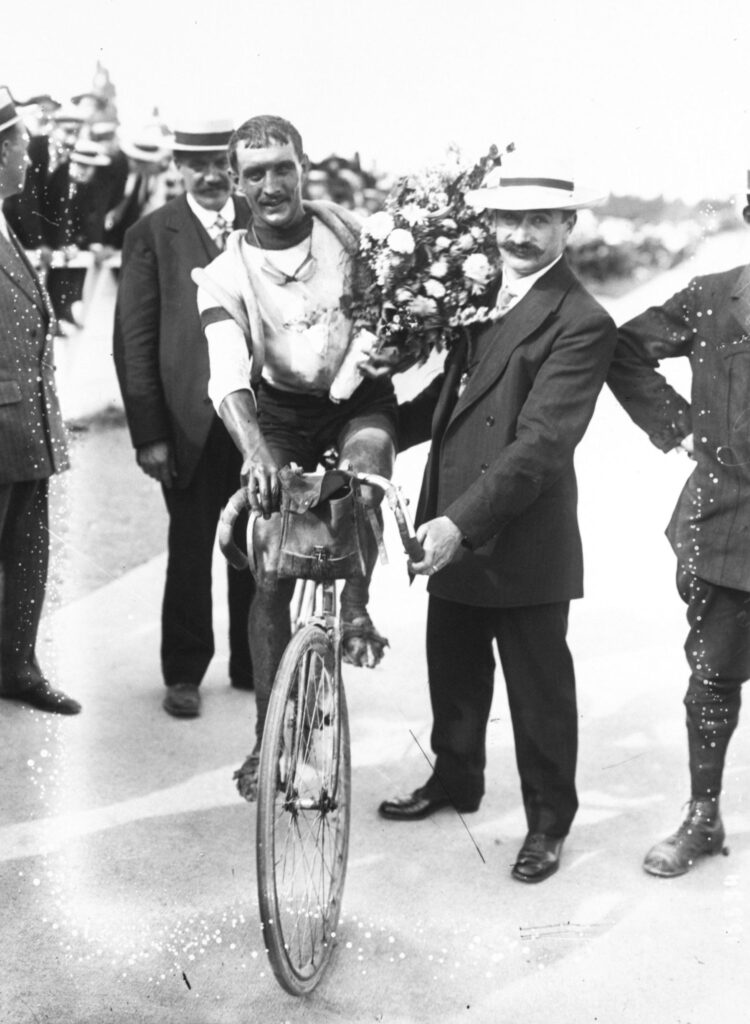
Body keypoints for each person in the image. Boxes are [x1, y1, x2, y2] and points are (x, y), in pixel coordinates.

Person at [374, 153, 616, 884]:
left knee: (538, 691)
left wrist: (458, 525)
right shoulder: (481, 297)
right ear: (490, 223)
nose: (520, 235)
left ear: (568, 228)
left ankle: (548, 823)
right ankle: (456, 779)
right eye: (509, 219)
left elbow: (539, 445)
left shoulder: (581, 320)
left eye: (539, 221)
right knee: (453, 665)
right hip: (457, 519)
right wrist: (369, 424)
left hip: (522, 538)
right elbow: (450, 406)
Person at [195, 114, 397, 798]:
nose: (272, 184)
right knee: (272, 565)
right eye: (255, 173)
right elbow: (227, 376)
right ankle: (266, 738)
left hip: (358, 401)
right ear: (234, 183)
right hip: (280, 414)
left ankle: (360, 605)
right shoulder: (224, 272)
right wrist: (255, 452)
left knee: (365, 474)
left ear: (303, 168)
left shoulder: (355, 235)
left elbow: (401, 319)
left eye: (284, 167)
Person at [606, 177, 750, 877]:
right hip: (727, 527)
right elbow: (624, 350)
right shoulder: (713, 296)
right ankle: (703, 814)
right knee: (714, 678)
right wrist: (678, 430)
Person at [113, 117, 254, 718]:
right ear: (178, 167)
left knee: (259, 542)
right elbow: (133, 340)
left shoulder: (264, 224)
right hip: (189, 427)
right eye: (197, 164)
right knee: (192, 547)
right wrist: (151, 434)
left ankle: (256, 664)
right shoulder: (153, 234)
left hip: (258, 424)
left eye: (222, 163)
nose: (212, 175)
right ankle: (185, 673)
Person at [0, 86, 80, 715]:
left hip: (24, 431)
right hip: (4, 430)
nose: (29, 160)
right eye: (22, 147)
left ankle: (17, 667)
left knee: (26, 553)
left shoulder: (6, 222)